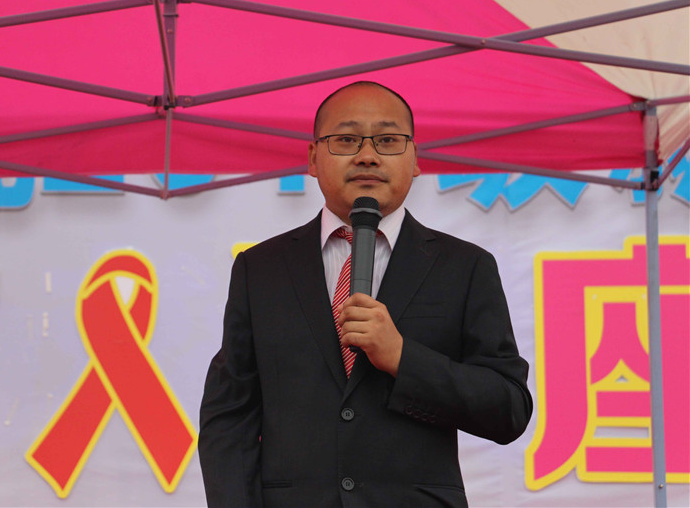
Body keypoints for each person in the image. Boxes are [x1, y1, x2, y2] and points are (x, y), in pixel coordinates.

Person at [198, 81, 532, 508]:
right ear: (313, 158)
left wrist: (402, 358)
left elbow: (508, 409)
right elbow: (229, 417)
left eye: (388, 140)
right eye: (346, 140)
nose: (368, 155)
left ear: (415, 159)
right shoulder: (260, 268)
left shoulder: (465, 267)